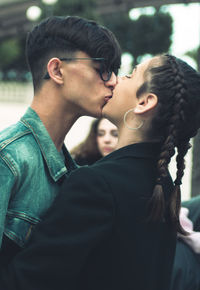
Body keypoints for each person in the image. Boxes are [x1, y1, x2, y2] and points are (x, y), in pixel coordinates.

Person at [1, 53, 200, 290]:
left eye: (130, 74)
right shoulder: (164, 188)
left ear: (145, 102)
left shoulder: (97, 185)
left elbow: (25, 287)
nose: (115, 80)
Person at [0, 15, 121, 265]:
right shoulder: (9, 159)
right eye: (103, 69)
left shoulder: (74, 172)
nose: (113, 81)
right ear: (57, 70)